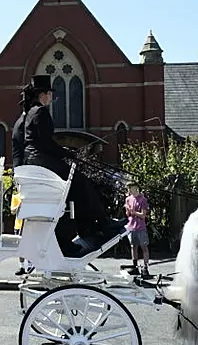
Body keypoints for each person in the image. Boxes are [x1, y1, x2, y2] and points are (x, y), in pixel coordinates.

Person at [21, 74, 124, 255]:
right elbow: (45, 143)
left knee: (76, 186)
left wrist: (64, 152)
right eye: (50, 94)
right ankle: (102, 224)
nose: (52, 97)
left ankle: (88, 229)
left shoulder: (31, 112)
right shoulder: (40, 112)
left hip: (36, 159)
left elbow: (42, 142)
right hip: (42, 159)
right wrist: (67, 153)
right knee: (80, 182)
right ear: (43, 94)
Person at [124, 181, 150, 278]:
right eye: (128, 188)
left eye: (131, 187)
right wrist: (128, 210)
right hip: (131, 226)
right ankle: (135, 267)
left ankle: (145, 267)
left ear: (136, 187)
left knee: (144, 247)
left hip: (140, 227)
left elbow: (143, 215)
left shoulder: (143, 200)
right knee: (133, 247)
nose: (130, 189)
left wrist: (133, 212)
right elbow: (128, 214)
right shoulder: (128, 199)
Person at [10, 187, 33, 276]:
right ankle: (22, 267)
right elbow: (12, 211)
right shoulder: (16, 197)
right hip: (19, 225)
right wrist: (19, 205)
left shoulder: (30, 198)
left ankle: (30, 265)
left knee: (30, 245)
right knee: (20, 247)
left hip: (28, 225)